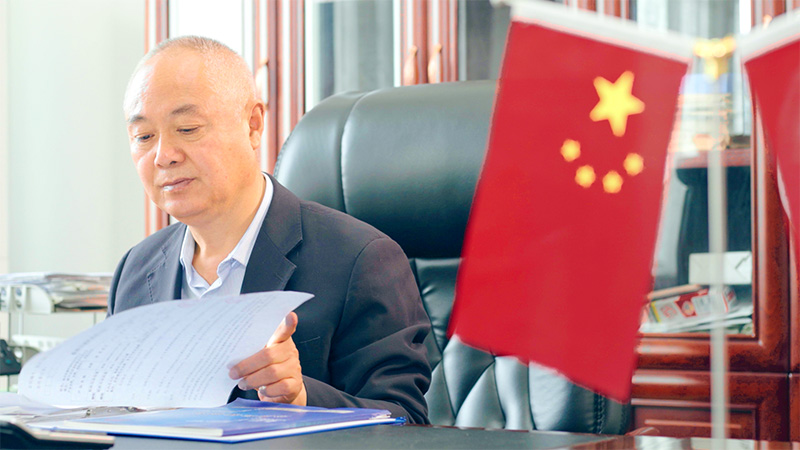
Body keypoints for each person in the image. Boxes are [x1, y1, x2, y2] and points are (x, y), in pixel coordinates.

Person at [107, 36, 431, 424]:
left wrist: (301, 397)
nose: (163, 156)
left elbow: (407, 422)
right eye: (144, 137)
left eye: (188, 128)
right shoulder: (135, 270)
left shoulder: (360, 259)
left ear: (253, 125)